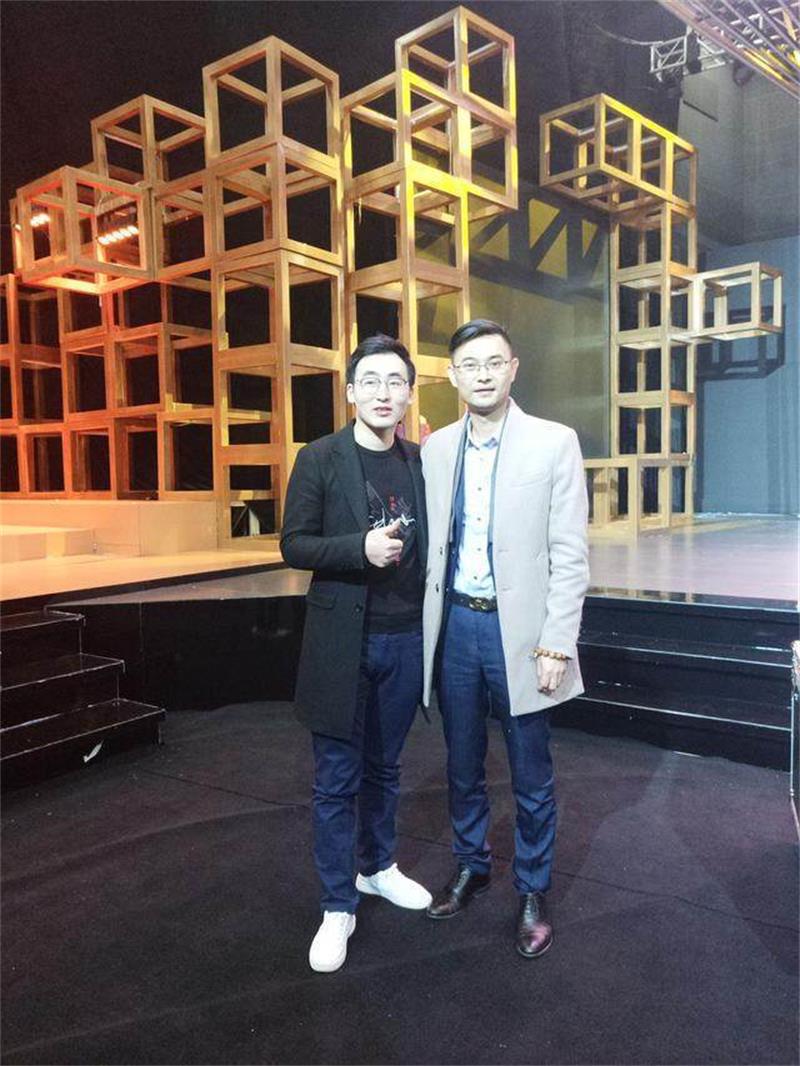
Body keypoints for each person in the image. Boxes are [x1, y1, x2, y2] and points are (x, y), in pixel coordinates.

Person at [421, 319, 589, 957]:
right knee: (462, 763)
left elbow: (570, 555)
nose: (483, 375)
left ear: (514, 368)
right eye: (470, 365)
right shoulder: (437, 449)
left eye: (494, 363)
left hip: (519, 632)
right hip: (456, 626)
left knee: (530, 771)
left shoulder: (554, 442)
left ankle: (533, 888)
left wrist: (556, 643)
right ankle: (472, 864)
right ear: (453, 376)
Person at [280, 334, 432, 974]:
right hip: (343, 642)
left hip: (406, 638)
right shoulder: (319, 458)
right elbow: (294, 544)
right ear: (350, 392)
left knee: (386, 768)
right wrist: (358, 549)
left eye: (395, 381)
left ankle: (378, 867)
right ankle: (337, 903)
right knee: (336, 780)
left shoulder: (421, 460)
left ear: (409, 393)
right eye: (370, 381)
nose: (383, 393)